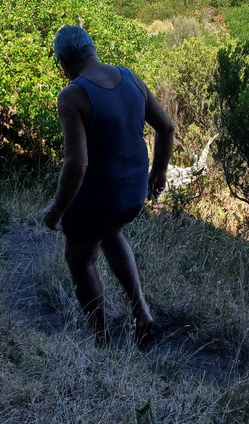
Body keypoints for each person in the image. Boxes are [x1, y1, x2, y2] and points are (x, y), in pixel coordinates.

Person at [42, 25, 175, 346]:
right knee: (112, 233)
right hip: (132, 196)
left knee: (80, 259)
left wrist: (56, 209)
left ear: (63, 62)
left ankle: (101, 340)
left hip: (97, 201)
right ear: (92, 49)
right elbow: (167, 128)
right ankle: (142, 314)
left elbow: (77, 165)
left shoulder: (73, 94)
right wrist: (158, 174)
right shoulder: (130, 78)